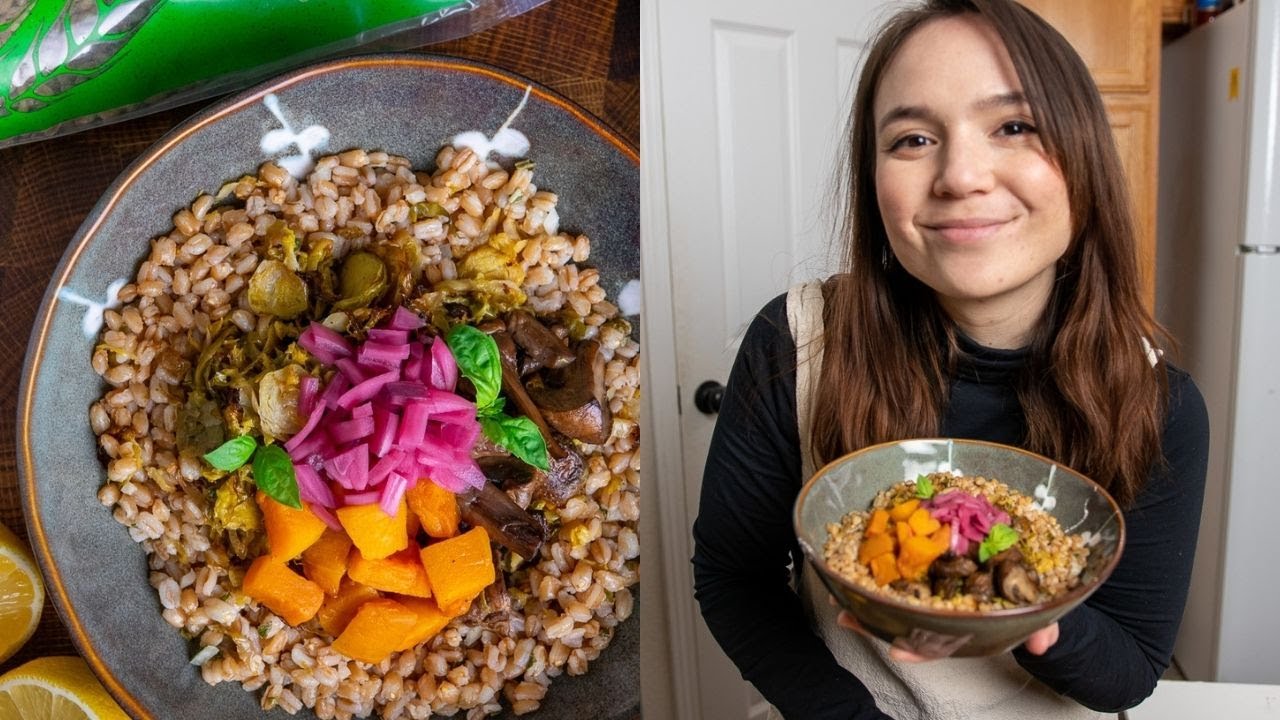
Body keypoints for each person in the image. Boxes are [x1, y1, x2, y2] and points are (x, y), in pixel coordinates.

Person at [690, 1, 1210, 719]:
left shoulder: (1161, 406)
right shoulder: (798, 340)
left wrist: (1027, 610)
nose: (961, 176)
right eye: (911, 139)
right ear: (874, 181)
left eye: (1014, 126)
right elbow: (732, 578)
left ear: (1085, 157)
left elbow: (1131, 672)